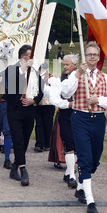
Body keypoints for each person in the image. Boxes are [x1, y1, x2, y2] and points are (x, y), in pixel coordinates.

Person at [61, 41, 107, 213]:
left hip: (98, 120)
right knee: (85, 157)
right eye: (89, 54)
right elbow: (65, 93)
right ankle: (90, 200)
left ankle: (80, 187)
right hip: (80, 118)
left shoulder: (105, 77)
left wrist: (99, 101)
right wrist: (78, 73)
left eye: (95, 54)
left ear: (98, 57)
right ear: (84, 57)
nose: (92, 57)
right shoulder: (77, 75)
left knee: (95, 159)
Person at [3, 44, 43, 186]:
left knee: (25, 140)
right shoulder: (12, 69)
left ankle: (14, 168)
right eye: (29, 56)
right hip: (15, 109)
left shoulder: (35, 73)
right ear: (23, 56)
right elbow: (12, 85)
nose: (31, 59)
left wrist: (34, 100)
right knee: (18, 140)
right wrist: (24, 68)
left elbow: (41, 92)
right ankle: (23, 169)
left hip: (29, 109)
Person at [46, 54, 79, 188]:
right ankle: (72, 176)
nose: (64, 67)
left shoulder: (83, 78)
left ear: (75, 65)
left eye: (67, 64)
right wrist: (68, 104)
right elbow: (55, 98)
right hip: (66, 113)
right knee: (69, 143)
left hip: (80, 114)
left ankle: (68, 171)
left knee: (77, 144)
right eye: (64, 64)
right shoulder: (61, 80)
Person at [34, 63, 55, 153]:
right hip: (38, 103)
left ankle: (47, 143)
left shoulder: (51, 77)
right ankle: (39, 143)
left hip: (48, 104)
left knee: (48, 123)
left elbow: (50, 90)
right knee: (39, 123)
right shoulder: (35, 77)